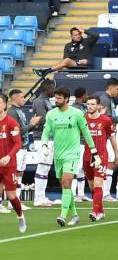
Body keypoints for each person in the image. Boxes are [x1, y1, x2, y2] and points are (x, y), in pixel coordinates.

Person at [41, 86, 101, 226]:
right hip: (58, 155)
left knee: (67, 182)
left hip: (72, 154)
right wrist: (44, 145)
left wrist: (94, 152)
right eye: (55, 97)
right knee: (65, 186)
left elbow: (86, 133)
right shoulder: (51, 114)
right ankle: (74, 215)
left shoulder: (77, 113)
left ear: (67, 99)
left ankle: (62, 215)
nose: (56, 100)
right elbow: (46, 131)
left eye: (59, 98)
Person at [84, 95, 118, 221]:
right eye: (88, 104)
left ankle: (94, 211)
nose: (90, 106)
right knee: (92, 185)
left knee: (98, 183)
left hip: (101, 156)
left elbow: (112, 139)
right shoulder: (83, 119)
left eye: (93, 104)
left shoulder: (105, 120)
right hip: (87, 156)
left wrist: (117, 155)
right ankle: (101, 210)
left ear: (99, 106)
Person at [7, 89, 41, 211]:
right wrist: (31, 124)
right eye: (21, 97)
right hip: (16, 148)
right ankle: (13, 202)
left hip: (23, 146)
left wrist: (31, 125)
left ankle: (16, 201)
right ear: (15, 98)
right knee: (15, 174)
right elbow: (17, 132)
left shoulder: (19, 111)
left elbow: (23, 130)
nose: (24, 99)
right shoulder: (11, 113)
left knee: (19, 173)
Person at [0, 93, 26, 233]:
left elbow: (17, 144)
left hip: (8, 166)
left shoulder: (11, 122)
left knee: (11, 196)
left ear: (4, 105)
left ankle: (20, 216)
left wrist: (9, 157)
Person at [33, 26, 98, 78]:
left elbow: (96, 35)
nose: (78, 36)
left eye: (79, 34)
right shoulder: (68, 45)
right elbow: (66, 58)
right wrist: (78, 61)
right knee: (65, 61)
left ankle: (45, 71)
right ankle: (45, 71)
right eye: (75, 35)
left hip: (84, 66)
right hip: (73, 65)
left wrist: (84, 30)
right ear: (71, 36)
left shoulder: (86, 42)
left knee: (65, 62)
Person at [32, 79, 55, 207]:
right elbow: (44, 119)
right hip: (41, 137)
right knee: (42, 167)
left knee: (45, 168)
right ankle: (37, 198)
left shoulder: (46, 101)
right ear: (46, 89)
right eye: (52, 88)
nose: (54, 91)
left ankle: (42, 196)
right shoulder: (39, 101)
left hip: (48, 138)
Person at [100, 78, 118, 201]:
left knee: (111, 163)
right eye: (117, 89)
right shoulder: (104, 100)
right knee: (109, 163)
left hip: (109, 136)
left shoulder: (110, 100)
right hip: (105, 137)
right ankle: (104, 193)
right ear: (111, 87)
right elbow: (105, 120)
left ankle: (105, 192)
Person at [71, 86, 89, 202]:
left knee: (82, 168)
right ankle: (72, 194)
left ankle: (81, 194)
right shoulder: (74, 109)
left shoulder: (82, 108)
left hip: (84, 141)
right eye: (86, 94)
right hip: (77, 142)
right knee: (76, 168)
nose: (87, 96)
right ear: (83, 95)